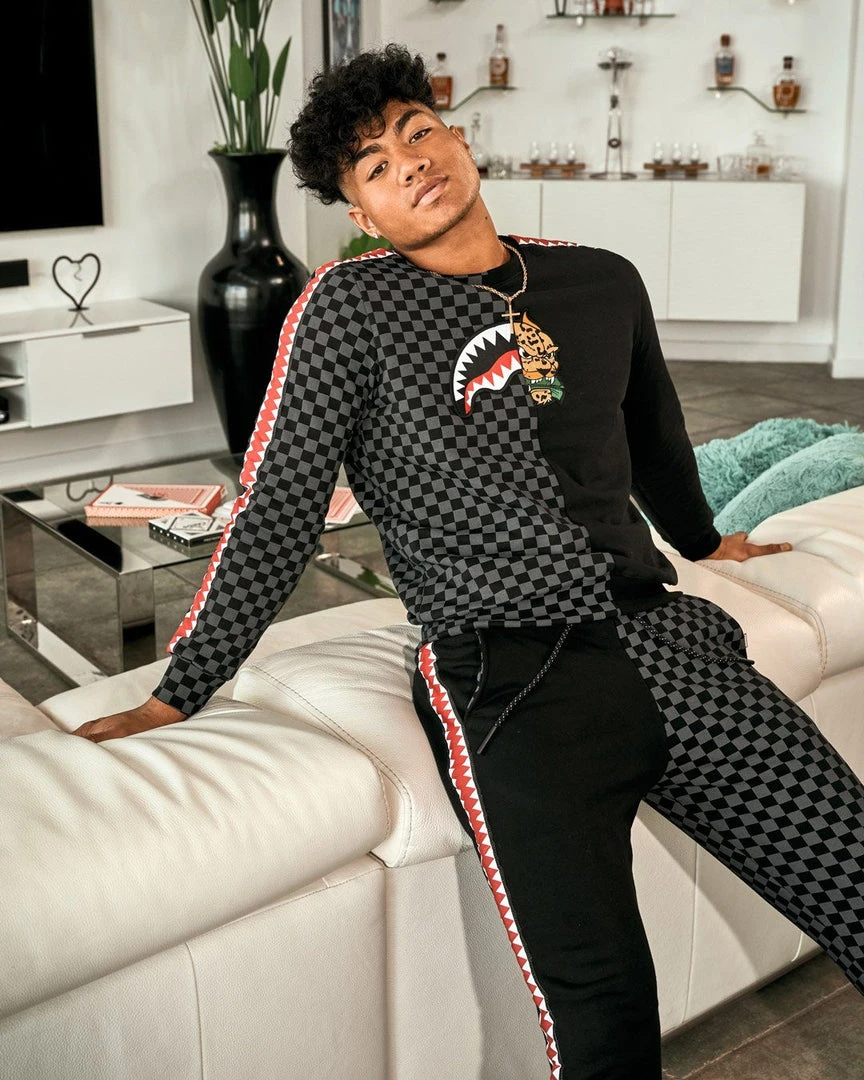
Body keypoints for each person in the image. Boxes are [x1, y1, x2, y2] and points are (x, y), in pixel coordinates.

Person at [70, 45, 864, 1080]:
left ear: (457, 137)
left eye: (417, 132)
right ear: (360, 210)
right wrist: (177, 692)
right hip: (513, 683)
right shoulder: (348, 308)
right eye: (373, 165)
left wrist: (708, 541)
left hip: (670, 645)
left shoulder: (600, 280)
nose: (408, 163)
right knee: (604, 1019)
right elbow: (277, 509)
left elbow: (656, 437)